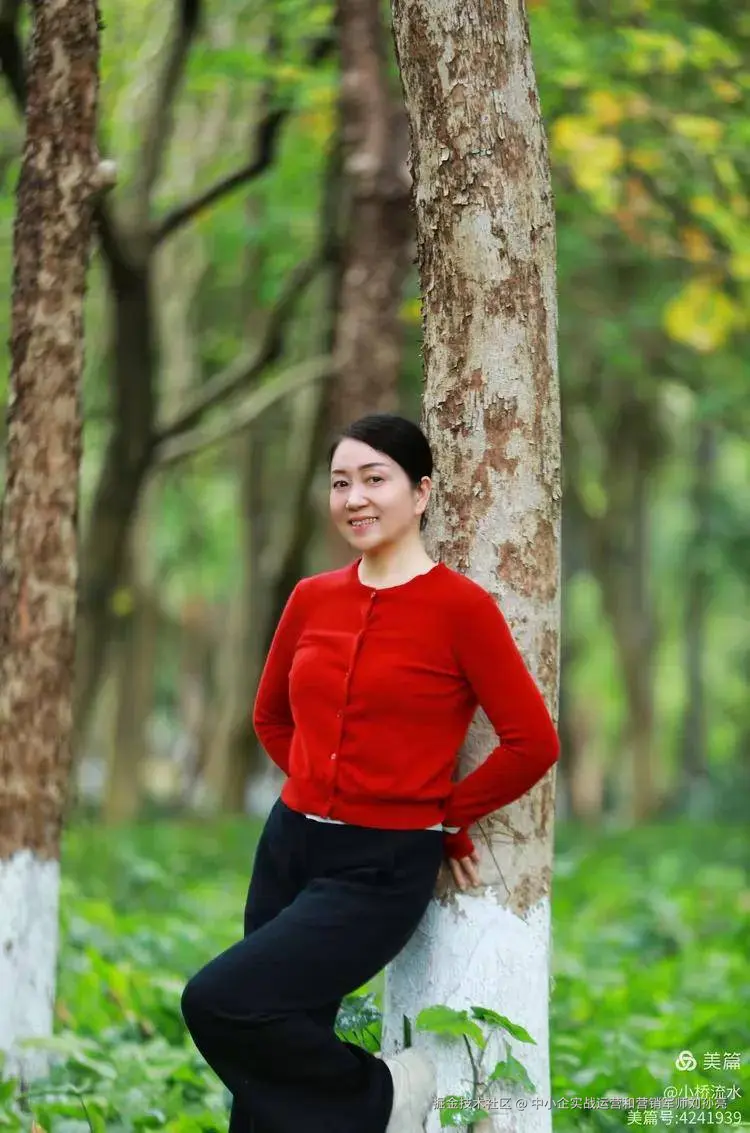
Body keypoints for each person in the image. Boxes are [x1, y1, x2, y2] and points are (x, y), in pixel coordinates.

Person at [181, 413, 559, 1133]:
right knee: (271, 1053)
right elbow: (270, 718)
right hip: (288, 847)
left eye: (374, 479)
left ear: (421, 493)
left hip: (380, 867)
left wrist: (445, 815)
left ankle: (384, 1096)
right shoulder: (311, 597)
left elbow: (532, 742)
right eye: (340, 483)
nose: (354, 498)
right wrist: (318, 788)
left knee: (221, 1001)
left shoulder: (461, 609)